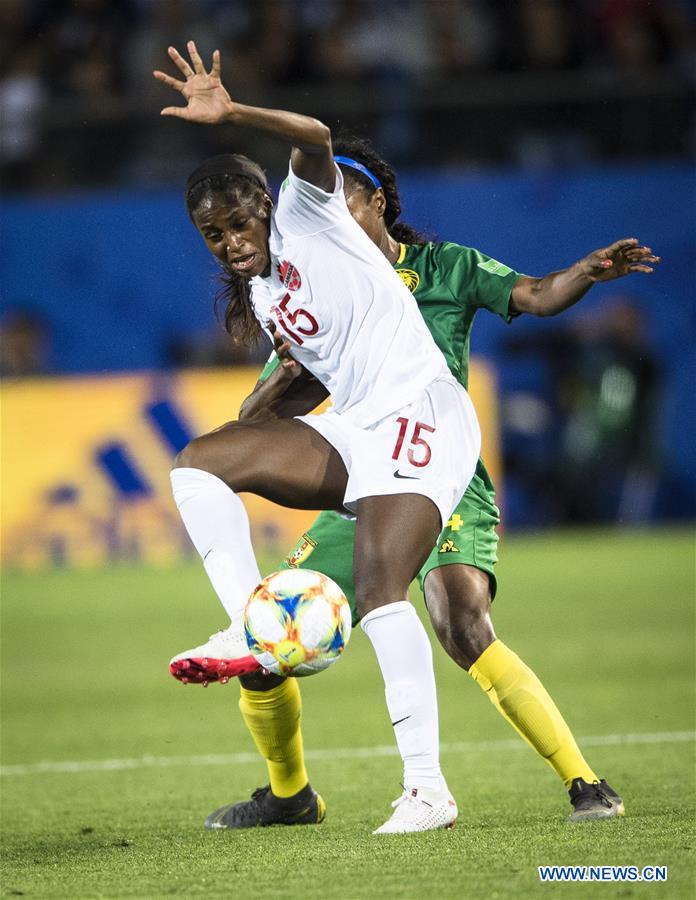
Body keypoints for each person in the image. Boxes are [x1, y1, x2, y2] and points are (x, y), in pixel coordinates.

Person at [168, 131, 660, 828]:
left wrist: (583, 272)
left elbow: (535, 294)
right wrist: (279, 383)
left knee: (461, 624)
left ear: (376, 202)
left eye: (346, 198)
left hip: (439, 456)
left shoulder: (442, 266)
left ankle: (579, 780)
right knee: (271, 628)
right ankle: (289, 793)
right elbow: (262, 417)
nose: (333, 211)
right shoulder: (302, 280)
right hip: (368, 456)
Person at [155, 41, 483, 834]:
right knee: (198, 464)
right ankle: (251, 627)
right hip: (358, 426)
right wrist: (259, 416)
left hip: (424, 416)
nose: (231, 241)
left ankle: (428, 790)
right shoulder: (267, 293)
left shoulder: (309, 210)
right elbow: (309, 373)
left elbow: (316, 136)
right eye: (213, 234)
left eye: (239, 221)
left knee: (378, 591)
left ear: (265, 205)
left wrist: (235, 111)